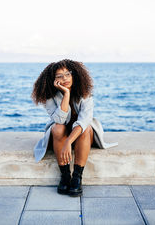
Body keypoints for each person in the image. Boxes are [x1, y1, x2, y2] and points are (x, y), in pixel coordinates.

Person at [31, 59, 118, 197]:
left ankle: (77, 177)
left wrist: (68, 142)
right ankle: (65, 176)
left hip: (82, 136)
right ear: (53, 80)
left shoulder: (85, 93)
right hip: (60, 136)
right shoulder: (49, 96)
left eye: (67, 74)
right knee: (57, 128)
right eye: (59, 76)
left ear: (74, 74)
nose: (64, 78)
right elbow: (59, 120)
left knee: (86, 128)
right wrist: (66, 94)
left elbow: (84, 121)